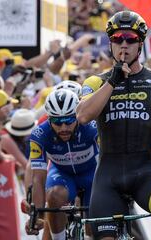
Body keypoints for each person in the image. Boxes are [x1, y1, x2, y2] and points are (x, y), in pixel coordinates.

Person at [76, 10, 151, 240]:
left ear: (140, 44)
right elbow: (83, 116)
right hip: (108, 176)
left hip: (145, 172)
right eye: (117, 39)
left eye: (130, 39)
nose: (124, 44)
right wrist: (113, 80)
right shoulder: (96, 82)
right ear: (110, 44)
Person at [25, 89, 99, 240]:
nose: (63, 128)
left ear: (77, 115)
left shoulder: (93, 128)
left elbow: (109, 161)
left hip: (92, 174)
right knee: (53, 195)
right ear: (49, 119)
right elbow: (38, 179)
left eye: (69, 120)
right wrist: (36, 215)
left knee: (93, 226)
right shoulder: (39, 134)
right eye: (57, 122)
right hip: (62, 174)